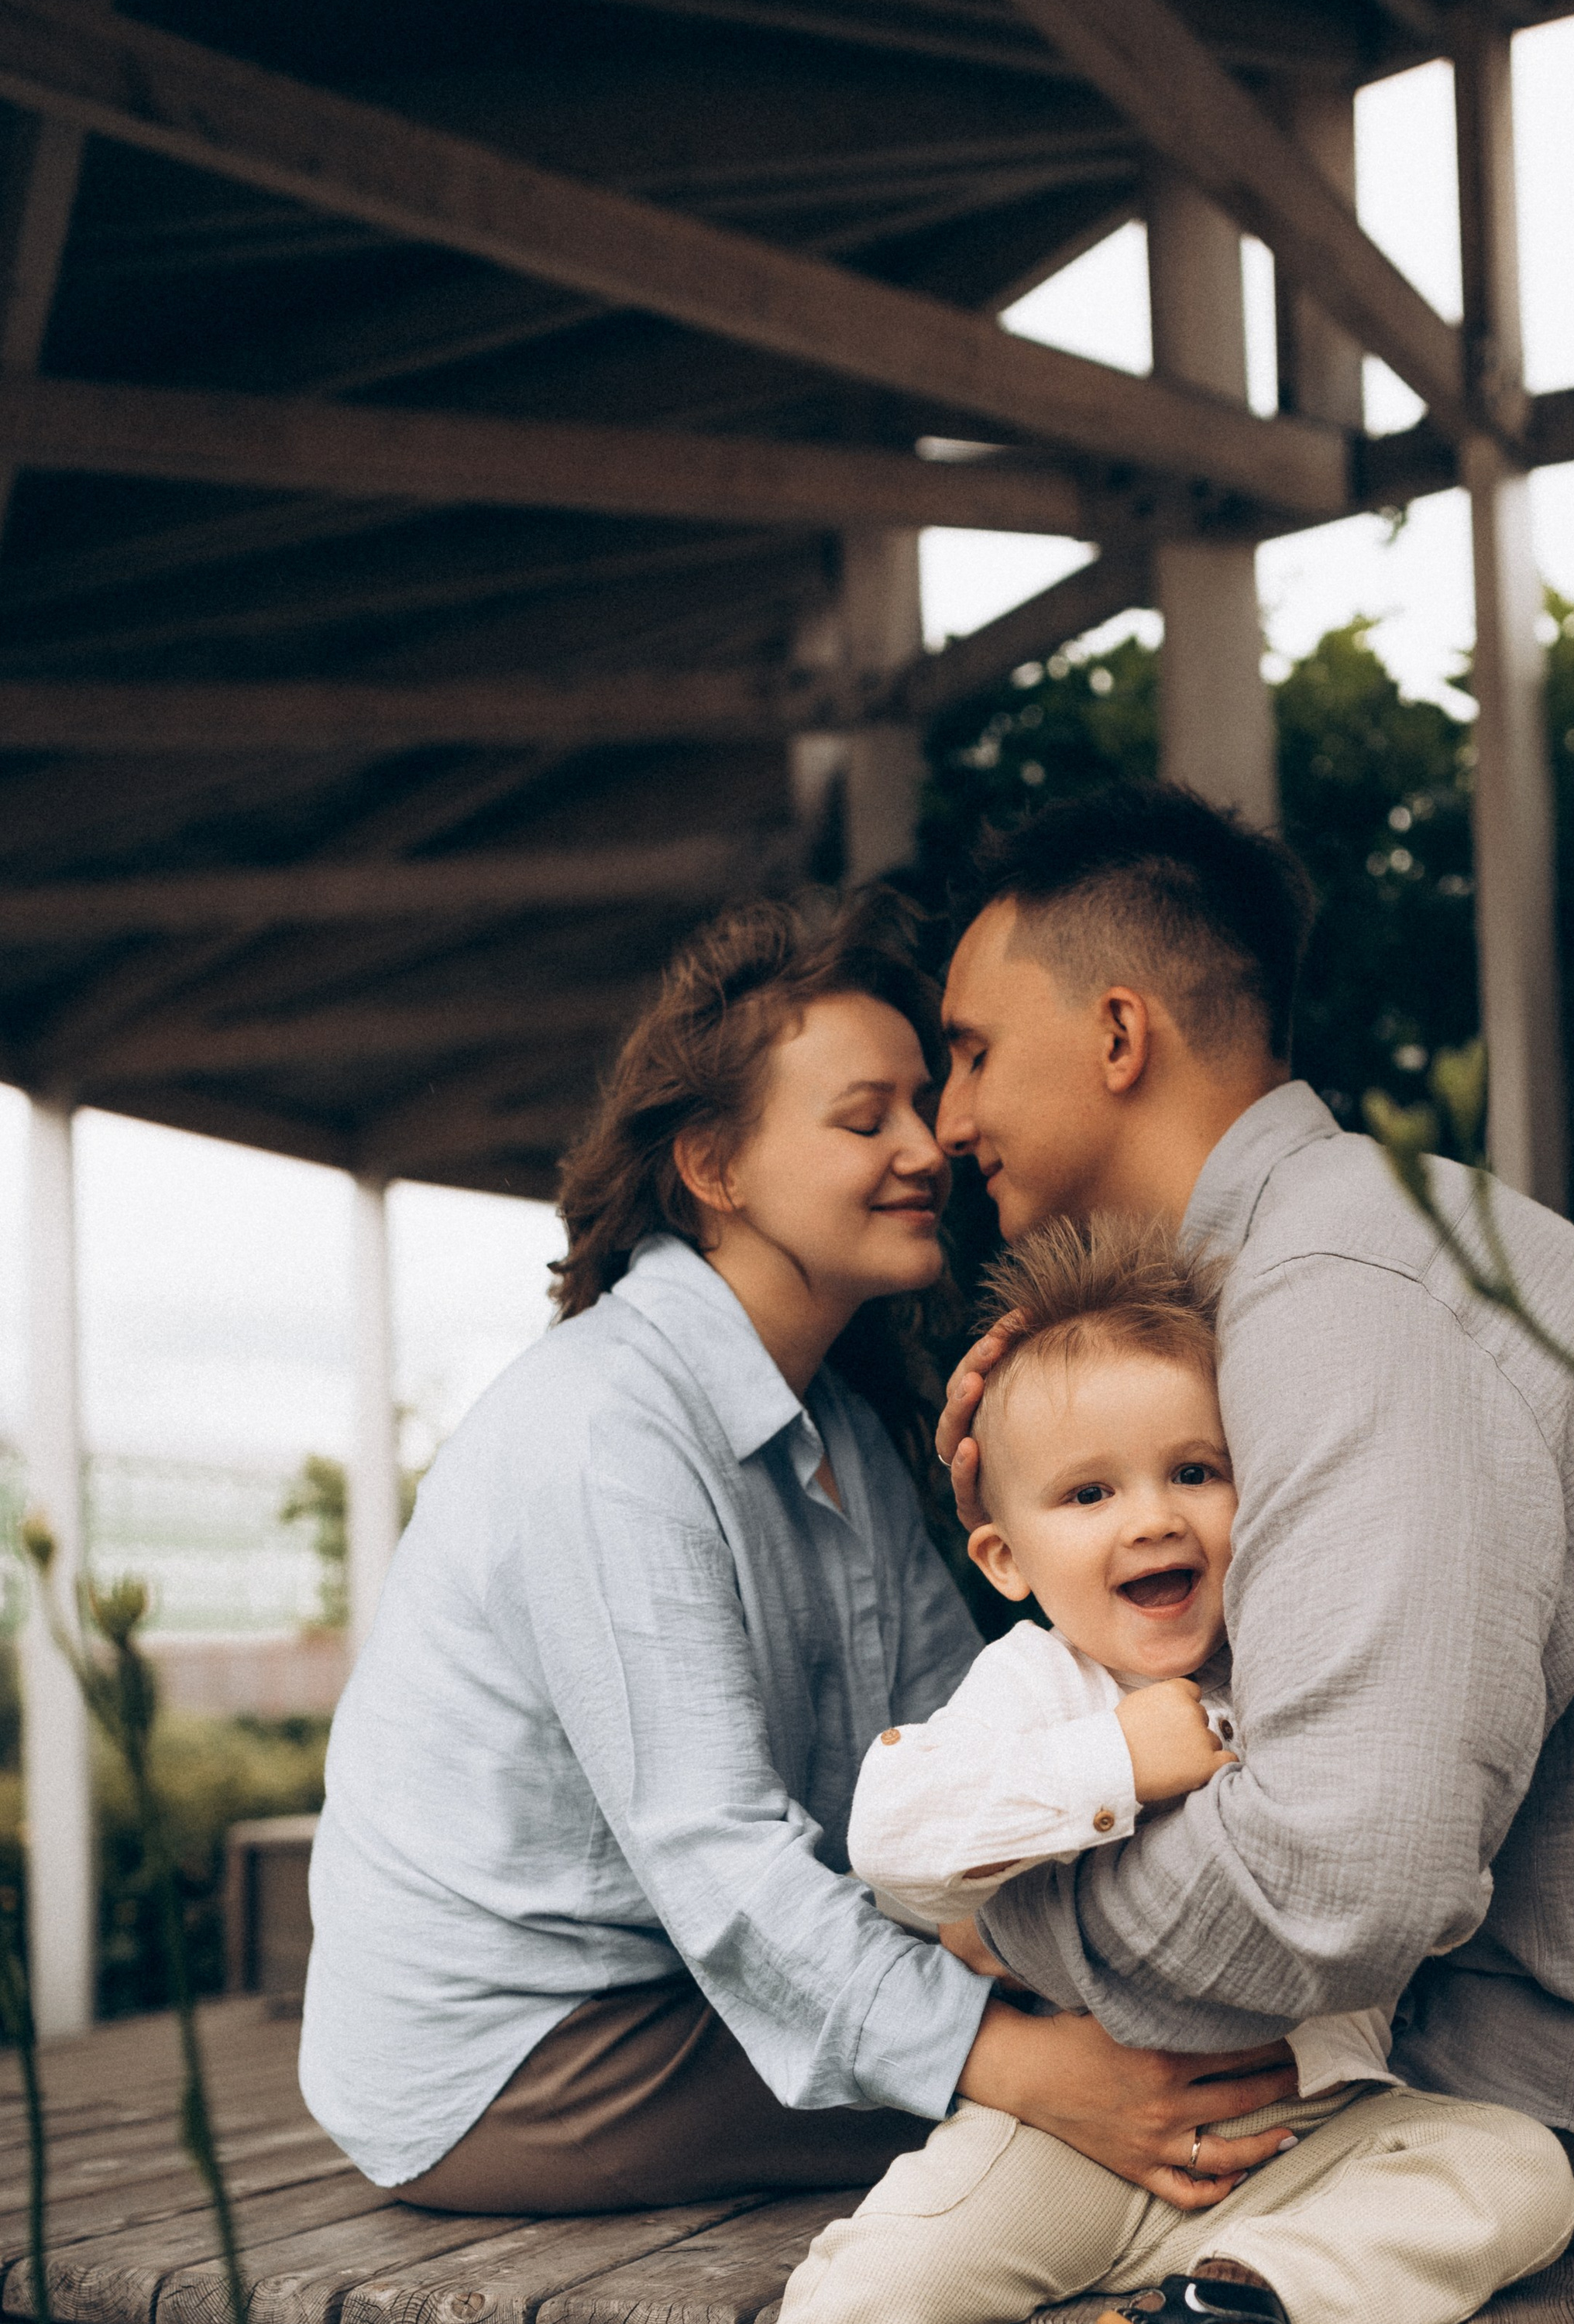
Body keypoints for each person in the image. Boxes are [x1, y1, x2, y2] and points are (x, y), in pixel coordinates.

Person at [552, 1215, 1574, 2324]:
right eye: (1089, 1494)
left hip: (1295, 2140)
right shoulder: (1038, 1690)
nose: (1150, 1518)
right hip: (1065, 2130)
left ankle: (1243, 2314)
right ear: (1010, 1556)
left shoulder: (1310, 1671)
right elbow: (891, 1837)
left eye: (1194, 1472)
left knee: (1519, 2168)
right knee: (884, 2280)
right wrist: (1123, 1764)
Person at [932, 779, 1574, 2247]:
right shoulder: (1344, 1249)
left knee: (1003, 2198)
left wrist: (1001, 1905)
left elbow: (1342, 1880)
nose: (947, 1120)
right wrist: (1065, 1413)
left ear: (1118, 1036)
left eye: (972, 1052)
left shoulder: (1334, 1301)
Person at [300, 896, 1300, 2219]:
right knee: (1124, 2114)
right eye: (864, 1115)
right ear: (715, 1167)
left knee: (1171, 2049)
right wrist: (1029, 2065)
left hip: (685, 1990)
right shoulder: (607, 1430)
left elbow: (967, 1745)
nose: (931, 1144)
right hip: (530, 2052)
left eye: (924, 1102)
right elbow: (723, 1865)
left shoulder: (831, 1421)